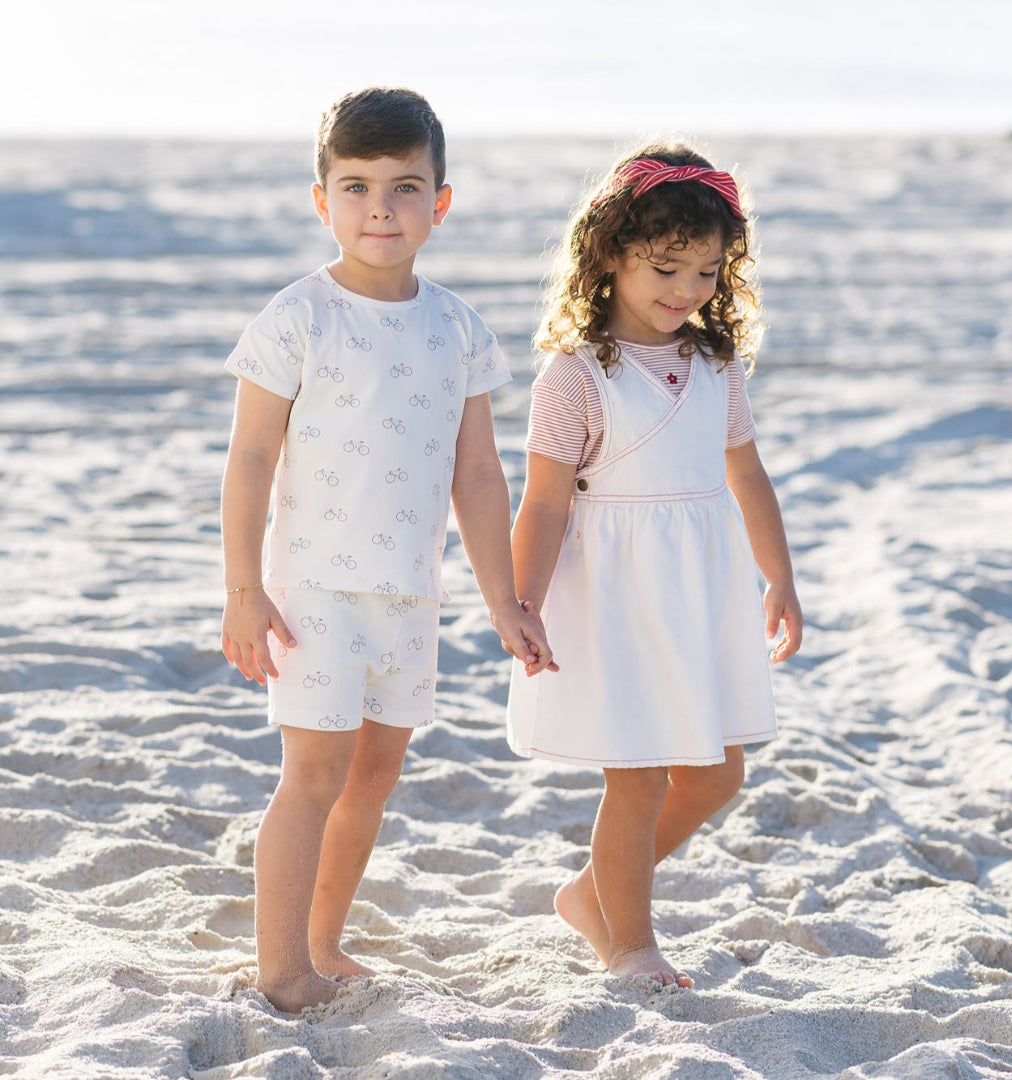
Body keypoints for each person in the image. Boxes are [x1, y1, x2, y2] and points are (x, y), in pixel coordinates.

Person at [220, 87, 554, 1013]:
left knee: (372, 777)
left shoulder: (457, 327)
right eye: (356, 185)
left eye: (406, 186)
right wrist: (242, 588)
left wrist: (503, 598)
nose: (380, 207)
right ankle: (281, 969)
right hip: (314, 589)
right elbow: (250, 459)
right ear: (321, 198)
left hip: (411, 593)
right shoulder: (297, 318)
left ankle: (323, 944)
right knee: (313, 775)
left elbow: (480, 477)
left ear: (440, 202)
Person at [506, 144, 802, 988]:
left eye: (707, 272)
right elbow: (545, 503)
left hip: (699, 593)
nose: (686, 290)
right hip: (613, 598)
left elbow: (747, 476)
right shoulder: (575, 376)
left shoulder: (716, 365)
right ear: (609, 255)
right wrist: (521, 602)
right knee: (634, 780)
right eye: (666, 267)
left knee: (716, 774)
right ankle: (630, 944)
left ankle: (593, 892)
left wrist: (778, 577)